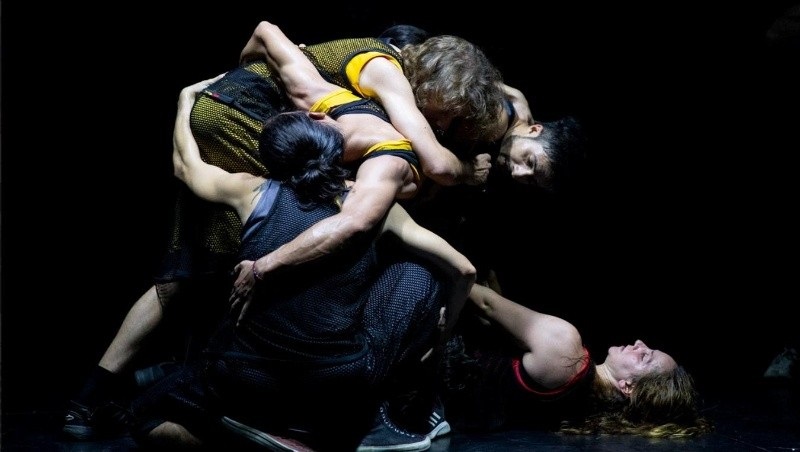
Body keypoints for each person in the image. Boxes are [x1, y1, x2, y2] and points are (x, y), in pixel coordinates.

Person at [62, 21, 503, 441]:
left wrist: (202, 94)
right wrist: (468, 171)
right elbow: (432, 170)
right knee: (279, 253)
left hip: (228, 112)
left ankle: (106, 393)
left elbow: (263, 39)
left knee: (191, 267)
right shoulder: (383, 92)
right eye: (446, 120)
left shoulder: (342, 91)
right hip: (252, 125)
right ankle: (220, 382)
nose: (438, 130)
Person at [128, 79, 476, 451]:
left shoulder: (250, 192)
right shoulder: (374, 207)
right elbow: (465, 270)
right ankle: (364, 421)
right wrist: (441, 336)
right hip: (335, 381)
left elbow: (185, 167)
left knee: (145, 417)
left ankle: (258, 434)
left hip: (246, 374)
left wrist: (184, 101)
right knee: (419, 272)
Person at [412, 283, 714, 439]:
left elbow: (486, 303)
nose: (639, 344)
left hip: (419, 351)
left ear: (628, 387)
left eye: (645, 357)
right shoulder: (578, 407)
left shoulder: (566, 352)